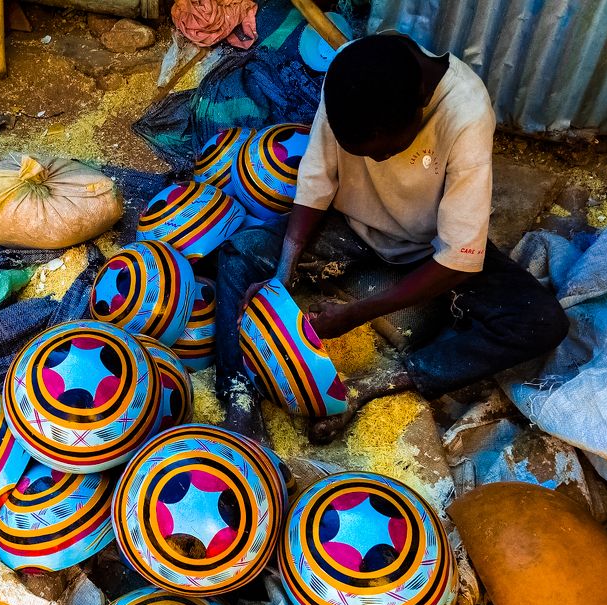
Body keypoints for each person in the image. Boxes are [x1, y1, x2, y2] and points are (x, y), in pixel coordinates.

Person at [214, 33, 569, 441]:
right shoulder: (349, 71)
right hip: (350, 227)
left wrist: (359, 312)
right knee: (241, 252)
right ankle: (239, 398)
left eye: (382, 153)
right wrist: (282, 272)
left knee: (540, 323)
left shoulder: (466, 111)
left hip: (429, 248)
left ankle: (368, 387)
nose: (374, 162)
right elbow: (316, 180)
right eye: (361, 154)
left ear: (419, 103)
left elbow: (459, 256)